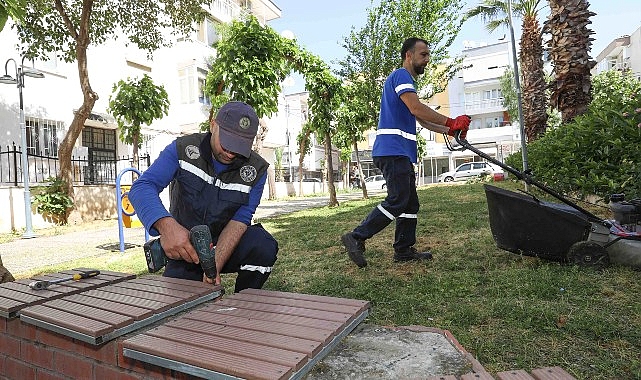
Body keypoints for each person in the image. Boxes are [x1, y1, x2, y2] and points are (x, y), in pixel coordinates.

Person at [341, 37, 471, 268]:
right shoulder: (401, 76)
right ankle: (356, 236)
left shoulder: (405, 83)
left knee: (410, 205)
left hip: (397, 152)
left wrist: (450, 130)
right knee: (398, 200)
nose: (427, 60)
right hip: (393, 151)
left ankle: (403, 250)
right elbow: (416, 107)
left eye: (428, 55)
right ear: (408, 56)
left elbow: (421, 118)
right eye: (423, 55)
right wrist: (451, 121)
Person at [129, 101, 278, 292]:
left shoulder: (256, 170)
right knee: (179, 310)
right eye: (227, 142)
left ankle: (244, 306)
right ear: (213, 125)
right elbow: (142, 187)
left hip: (225, 244)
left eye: (239, 146)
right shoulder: (182, 149)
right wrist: (168, 227)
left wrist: (213, 268)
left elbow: (240, 220)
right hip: (187, 249)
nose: (231, 153)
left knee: (262, 246)